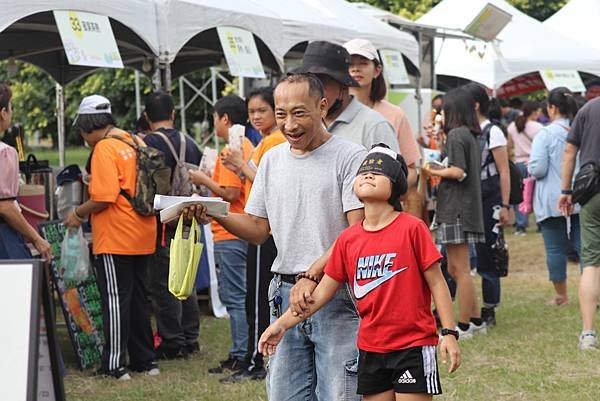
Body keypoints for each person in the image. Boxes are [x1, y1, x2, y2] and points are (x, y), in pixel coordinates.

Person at [207, 74, 366, 400]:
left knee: (340, 395)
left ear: (322, 107)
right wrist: (213, 211)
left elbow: (357, 232)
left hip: (336, 294)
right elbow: (257, 229)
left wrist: (313, 274)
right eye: (281, 114)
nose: (289, 125)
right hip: (283, 293)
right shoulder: (271, 160)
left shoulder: (350, 156)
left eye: (299, 113)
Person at [259, 144, 460, 401]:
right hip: (370, 350)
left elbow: (438, 283)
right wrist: (281, 325)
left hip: (412, 346)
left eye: (378, 172)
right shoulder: (348, 240)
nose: (368, 175)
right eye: (364, 172)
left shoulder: (412, 228)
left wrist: (449, 333)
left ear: (395, 186)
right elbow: (320, 295)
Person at [63, 95, 158, 380]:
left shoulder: (105, 148)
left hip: (117, 234)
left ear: (88, 125)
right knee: (140, 299)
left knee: (116, 299)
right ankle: (145, 361)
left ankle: (115, 365)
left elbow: (104, 197)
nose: (82, 137)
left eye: (81, 130)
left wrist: (77, 213)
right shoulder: (134, 140)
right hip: (143, 231)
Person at [219, 87, 286, 383]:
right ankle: (252, 357)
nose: (256, 117)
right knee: (255, 297)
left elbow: (267, 184)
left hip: (265, 226)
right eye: (251, 113)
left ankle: (257, 362)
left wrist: (239, 166)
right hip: (259, 223)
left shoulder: (274, 141)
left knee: (258, 298)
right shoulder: (266, 141)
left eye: (263, 110)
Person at [188, 94, 254, 373]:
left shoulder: (233, 149)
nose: (214, 123)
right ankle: (240, 350)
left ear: (225, 119)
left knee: (234, 297)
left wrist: (203, 180)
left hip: (231, 231)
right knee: (238, 295)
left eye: (215, 118)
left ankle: (241, 353)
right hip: (238, 229)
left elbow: (230, 192)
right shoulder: (245, 144)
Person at [141, 91, 203, 359]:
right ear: (173, 114)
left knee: (164, 281)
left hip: (162, 222)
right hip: (189, 215)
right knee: (185, 272)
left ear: (146, 116)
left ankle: (172, 340)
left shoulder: (146, 143)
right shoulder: (190, 142)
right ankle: (190, 337)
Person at [422, 87, 485, 339]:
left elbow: (458, 171)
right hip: (464, 208)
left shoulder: (458, 135)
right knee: (461, 269)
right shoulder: (467, 134)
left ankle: (464, 325)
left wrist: (432, 170)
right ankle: (476, 319)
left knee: (459, 270)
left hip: (456, 209)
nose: (441, 114)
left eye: (444, 110)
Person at [294, 41, 400, 153]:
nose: (314, 93)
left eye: (322, 84)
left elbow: (393, 169)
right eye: (310, 85)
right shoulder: (302, 123)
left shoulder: (374, 126)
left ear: (343, 85)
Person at [463, 83, 511, 328]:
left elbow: (504, 171)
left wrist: (504, 205)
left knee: (487, 254)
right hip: (467, 199)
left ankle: (490, 307)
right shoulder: (462, 131)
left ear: (475, 105)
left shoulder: (493, 132)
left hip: (489, 199)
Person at [529, 87, 581, 309]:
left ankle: (561, 296)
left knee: (555, 249)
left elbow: (538, 168)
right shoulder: (580, 129)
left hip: (551, 198)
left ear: (552, 108)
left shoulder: (545, 134)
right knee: (585, 246)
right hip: (580, 195)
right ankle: (592, 292)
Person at [344, 38, 420, 187]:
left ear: (377, 70)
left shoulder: (395, 114)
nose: (355, 69)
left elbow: (411, 171)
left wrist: (390, 187)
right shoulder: (328, 114)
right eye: (350, 64)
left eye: (363, 63)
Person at [559, 95, 600, 350]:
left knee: (592, 263)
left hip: (592, 193)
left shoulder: (587, 109)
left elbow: (569, 152)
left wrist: (566, 190)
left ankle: (588, 333)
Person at [0, 84, 51, 261]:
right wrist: (37, 239)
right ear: (3, 113)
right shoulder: (4, 152)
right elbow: (4, 206)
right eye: (11, 107)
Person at [508, 101, 543, 235]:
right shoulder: (538, 127)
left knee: (521, 195)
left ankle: (521, 226)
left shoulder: (512, 125)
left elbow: (509, 145)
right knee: (536, 194)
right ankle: (540, 224)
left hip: (518, 164)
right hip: (533, 163)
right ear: (534, 112)